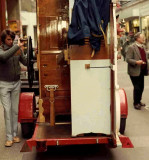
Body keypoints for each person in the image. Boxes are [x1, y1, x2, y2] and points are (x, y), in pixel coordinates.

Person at [0, 29, 27, 147]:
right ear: (3, 40)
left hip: (16, 83)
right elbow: (4, 57)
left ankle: (15, 134)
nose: (11, 41)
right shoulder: (1, 50)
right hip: (4, 84)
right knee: (7, 110)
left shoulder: (17, 49)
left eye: (12, 39)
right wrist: (17, 47)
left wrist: (24, 51)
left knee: (15, 110)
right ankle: (9, 137)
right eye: (8, 39)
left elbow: (25, 62)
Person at [126, 32, 149, 110]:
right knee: (137, 87)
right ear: (138, 38)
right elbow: (128, 59)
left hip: (142, 70)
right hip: (134, 71)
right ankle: (136, 103)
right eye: (142, 37)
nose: (144, 39)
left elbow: (145, 55)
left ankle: (139, 101)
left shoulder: (143, 46)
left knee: (141, 87)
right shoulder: (131, 47)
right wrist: (136, 62)